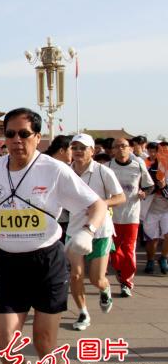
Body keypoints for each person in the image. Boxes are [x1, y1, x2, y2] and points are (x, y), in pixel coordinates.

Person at [0, 108, 106, 364]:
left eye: (24, 134)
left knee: (44, 343)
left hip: (46, 263)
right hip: (10, 265)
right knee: (4, 344)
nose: (17, 140)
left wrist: (87, 232)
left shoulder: (53, 169)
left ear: (37, 137)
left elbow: (97, 205)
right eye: (10, 134)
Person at [67, 134, 125, 329]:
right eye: (75, 147)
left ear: (92, 151)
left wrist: (100, 204)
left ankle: (105, 288)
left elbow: (120, 197)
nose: (78, 151)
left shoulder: (103, 172)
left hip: (100, 231)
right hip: (75, 230)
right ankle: (83, 313)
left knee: (96, 279)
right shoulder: (65, 172)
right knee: (75, 275)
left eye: (83, 148)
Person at [107, 137, 153, 296]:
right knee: (114, 251)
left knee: (129, 250)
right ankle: (120, 270)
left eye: (124, 146)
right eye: (117, 146)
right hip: (112, 216)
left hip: (131, 215)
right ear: (112, 150)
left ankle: (126, 282)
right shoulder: (107, 167)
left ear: (130, 149)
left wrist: (144, 192)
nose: (120, 149)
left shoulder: (138, 165)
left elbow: (149, 185)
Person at [141, 142, 168, 274]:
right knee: (152, 239)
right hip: (150, 209)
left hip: (166, 210)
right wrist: (155, 187)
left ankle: (163, 258)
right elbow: (146, 187)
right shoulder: (149, 168)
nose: (164, 154)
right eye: (161, 151)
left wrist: (163, 188)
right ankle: (150, 260)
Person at [44, 135, 73, 243]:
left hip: (62, 218)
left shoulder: (67, 167)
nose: (73, 152)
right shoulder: (46, 166)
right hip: (53, 219)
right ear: (62, 150)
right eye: (71, 149)